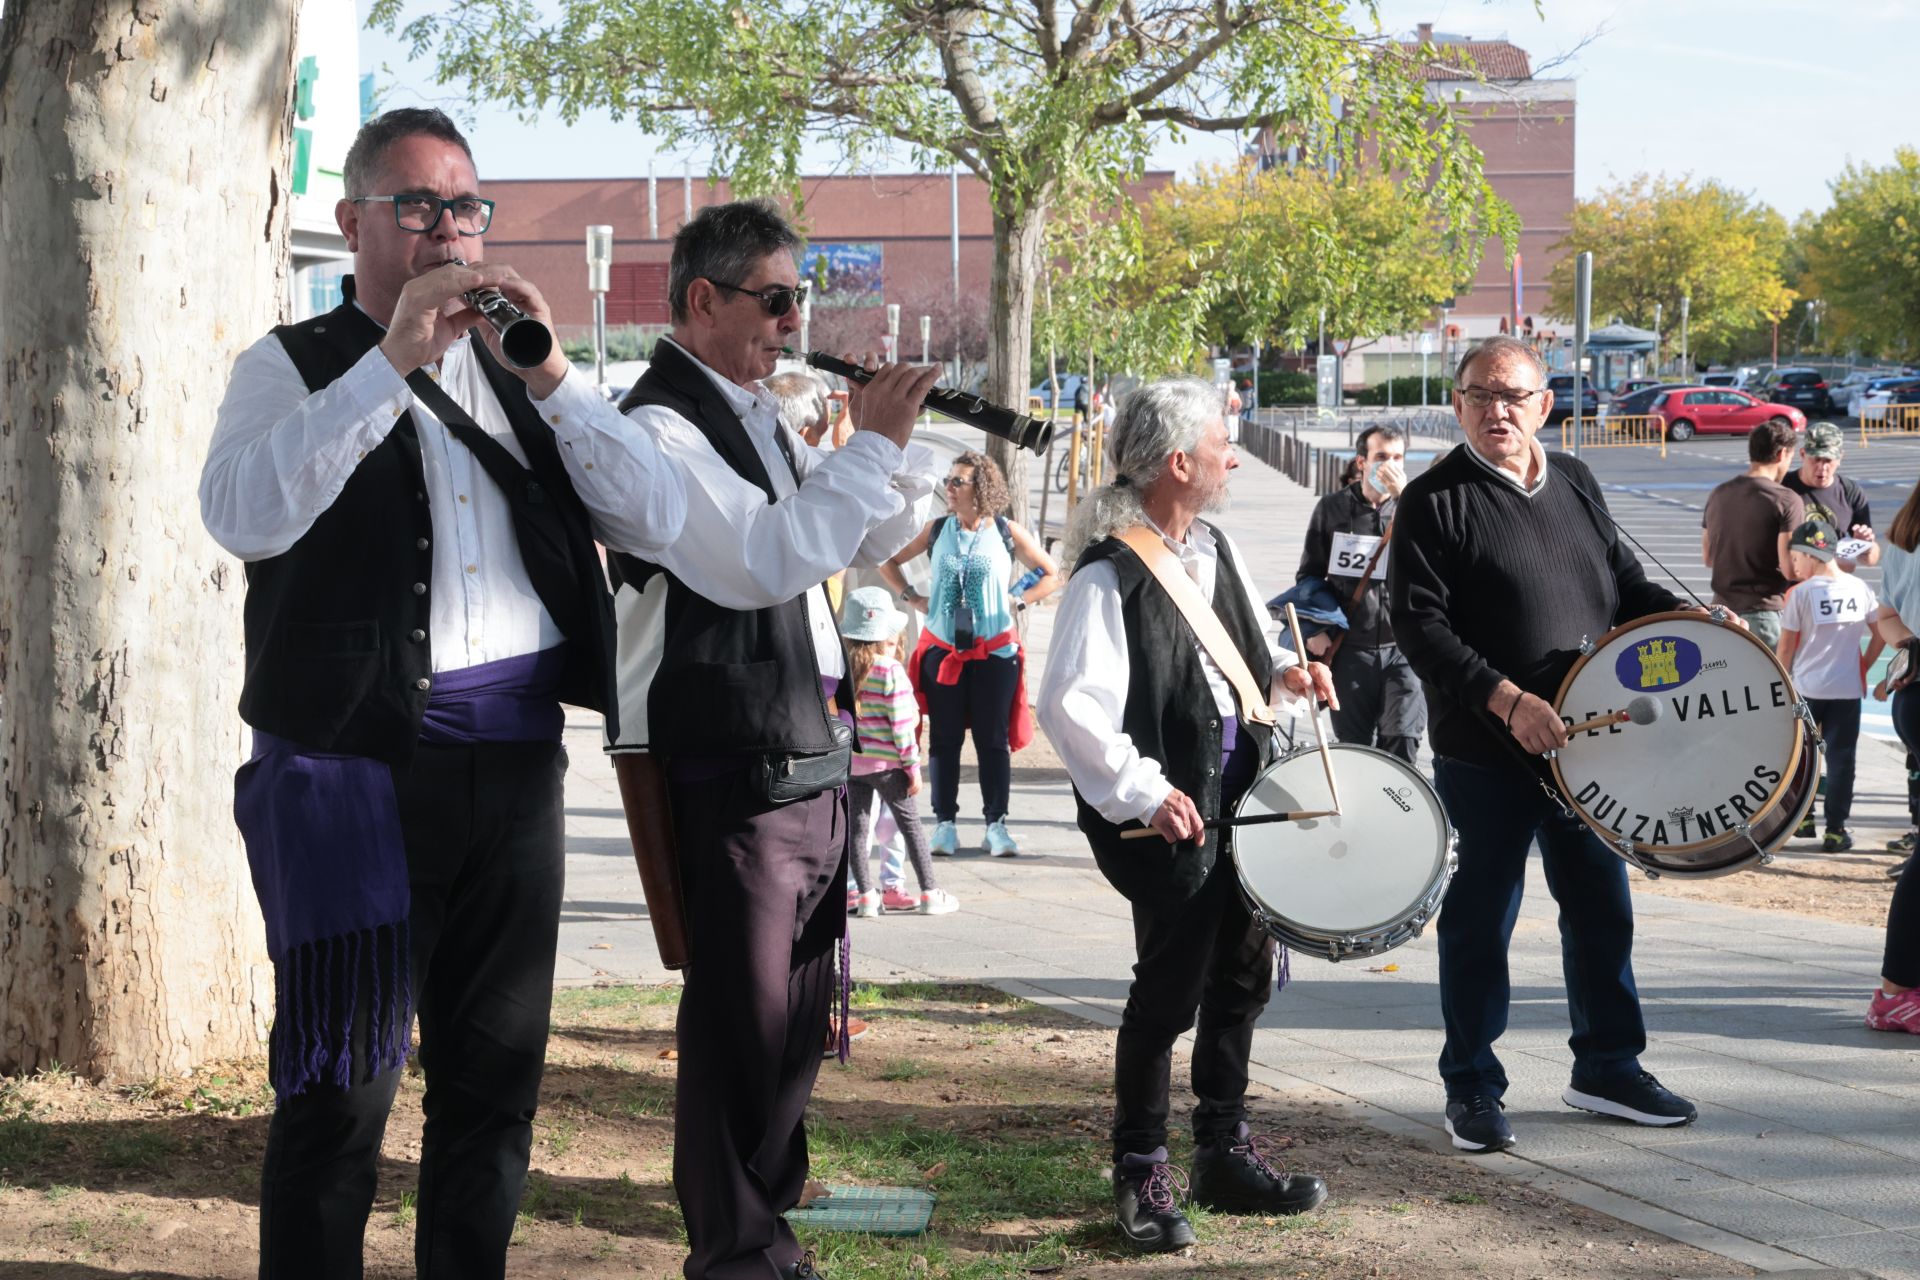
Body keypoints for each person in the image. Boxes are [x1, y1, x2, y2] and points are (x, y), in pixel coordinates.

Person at [199, 108, 686, 1278]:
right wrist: (392, 363)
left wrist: (556, 376)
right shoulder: (289, 364)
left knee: (495, 1085)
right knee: (342, 1093)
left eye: (466, 205)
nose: (449, 229)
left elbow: (655, 515)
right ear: (353, 221)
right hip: (355, 774)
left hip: (514, 771)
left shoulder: (523, 367)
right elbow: (242, 514)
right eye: (418, 205)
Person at [605, 199, 939, 1280]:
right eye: (777, 300)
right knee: (738, 1021)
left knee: (794, 1017)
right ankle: (736, 1248)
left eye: (800, 299)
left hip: (802, 748)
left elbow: (868, 535)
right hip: (727, 759)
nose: (795, 322)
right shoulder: (657, 428)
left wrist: (895, 445)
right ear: (704, 299)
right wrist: (867, 443)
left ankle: (770, 1217)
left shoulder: (753, 413)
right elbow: (769, 558)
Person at [1038, 378, 1336, 1252]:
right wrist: (1142, 790)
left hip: (1247, 805)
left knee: (1241, 978)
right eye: (1220, 445)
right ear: (1177, 462)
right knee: (1167, 993)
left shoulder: (1217, 547)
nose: (1231, 458)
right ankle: (1140, 1168)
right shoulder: (1110, 573)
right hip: (1174, 813)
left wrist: (1285, 671)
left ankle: (1222, 1152)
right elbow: (1071, 706)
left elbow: (1242, 649)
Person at [1389, 336, 1702, 1157]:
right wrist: (1506, 698)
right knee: (1479, 923)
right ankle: (1471, 1083)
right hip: (1485, 753)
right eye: (1480, 395)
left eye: (1513, 396)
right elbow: (1420, 627)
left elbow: (1625, 587)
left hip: (1591, 748)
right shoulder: (1432, 500)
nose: (1496, 410)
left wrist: (1694, 623)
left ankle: (1608, 1067)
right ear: (1458, 404)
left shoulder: (1576, 480)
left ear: (1545, 405)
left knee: (1602, 912)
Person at [879, 451, 1061, 856]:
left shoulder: (1006, 532)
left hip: (994, 654)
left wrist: (1019, 600)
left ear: (982, 488)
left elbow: (1052, 573)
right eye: (949, 480)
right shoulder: (937, 529)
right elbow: (886, 560)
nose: (949, 487)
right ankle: (944, 825)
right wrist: (912, 597)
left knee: (992, 740)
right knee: (944, 741)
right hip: (943, 651)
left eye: (958, 481)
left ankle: (996, 825)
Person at [1294, 423, 1426, 764]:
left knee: (1403, 742)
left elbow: (1436, 564)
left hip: (1403, 650)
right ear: (1361, 462)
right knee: (1355, 751)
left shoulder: (1415, 507)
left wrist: (1406, 501)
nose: (1390, 465)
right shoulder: (1332, 509)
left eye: (1397, 457)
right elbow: (1309, 575)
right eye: (1381, 457)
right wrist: (1315, 629)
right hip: (1351, 650)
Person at [839, 586, 958, 917]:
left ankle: (865, 896)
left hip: (855, 766)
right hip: (890, 768)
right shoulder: (890, 671)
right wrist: (912, 767)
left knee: (858, 829)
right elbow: (902, 726)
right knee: (911, 826)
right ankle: (930, 891)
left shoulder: (845, 670)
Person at [1777, 520, 1887, 853]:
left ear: (1811, 555)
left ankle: (1803, 818)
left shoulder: (1800, 593)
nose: (1794, 565)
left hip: (1808, 688)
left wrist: (1780, 682)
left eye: (1796, 557)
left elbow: (1786, 647)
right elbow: (1881, 632)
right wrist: (1864, 664)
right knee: (1842, 761)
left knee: (1803, 757)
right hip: (1847, 689)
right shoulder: (1859, 588)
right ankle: (1836, 829)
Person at [1866, 482, 1920, 1032]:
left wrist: (1911, 645)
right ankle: (1896, 991)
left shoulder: (1908, 534)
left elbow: (1887, 616)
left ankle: (1897, 989)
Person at [1701, 420, 1805, 649]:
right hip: (1763, 615)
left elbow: (1708, 558)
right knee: (1773, 672)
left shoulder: (1719, 493)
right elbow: (1790, 569)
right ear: (1781, 454)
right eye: (1790, 457)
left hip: (1720, 613)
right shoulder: (1786, 500)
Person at [1784, 422, 1879, 571]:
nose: (1822, 467)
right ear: (1802, 454)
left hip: (1830, 583)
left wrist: (1866, 546)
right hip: (1790, 582)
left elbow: (1870, 559)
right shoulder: (1783, 487)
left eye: (1828, 460)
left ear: (1840, 457)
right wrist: (1834, 562)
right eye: (1816, 459)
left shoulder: (1850, 492)